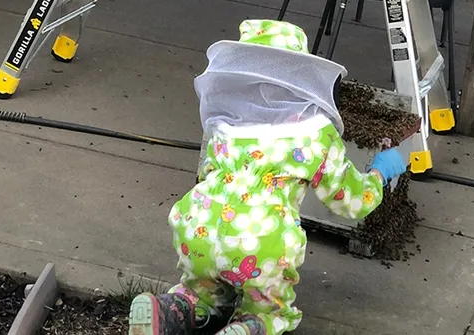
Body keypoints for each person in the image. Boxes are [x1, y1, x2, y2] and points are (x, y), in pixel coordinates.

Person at [128, 19, 407, 335]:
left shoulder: (225, 127)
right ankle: (252, 326)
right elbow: (352, 202)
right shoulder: (315, 135)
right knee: (272, 311)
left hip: (197, 228)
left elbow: (208, 176)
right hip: (261, 244)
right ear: (300, 77)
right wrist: (379, 172)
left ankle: (175, 310)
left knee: (202, 293)